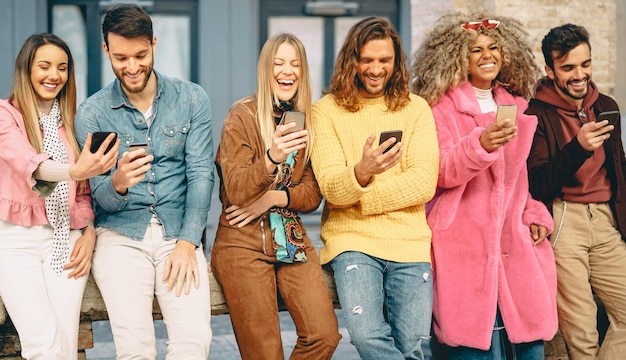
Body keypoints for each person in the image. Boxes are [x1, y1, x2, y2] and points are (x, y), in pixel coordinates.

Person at [411, 10, 558, 359]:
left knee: (527, 341)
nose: (487, 55)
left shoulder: (517, 105)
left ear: (506, 53)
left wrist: (533, 211)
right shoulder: (441, 108)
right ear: (459, 57)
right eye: (476, 49)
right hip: (462, 239)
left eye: (493, 47)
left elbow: (520, 178)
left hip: (513, 241)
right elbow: (442, 170)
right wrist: (482, 144)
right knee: (473, 344)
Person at [74, 4, 213, 359]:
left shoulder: (193, 98)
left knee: (194, 342)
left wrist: (187, 242)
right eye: (121, 57)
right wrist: (117, 181)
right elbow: (97, 197)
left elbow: (200, 173)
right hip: (120, 236)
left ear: (154, 43)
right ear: (106, 50)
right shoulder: (92, 113)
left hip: (177, 233)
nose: (132, 67)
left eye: (140, 54)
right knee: (135, 347)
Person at [310, 17, 439, 360]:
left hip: (409, 244)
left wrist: (361, 193)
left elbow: (424, 183)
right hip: (352, 242)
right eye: (366, 60)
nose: (375, 69)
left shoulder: (416, 109)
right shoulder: (325, 112)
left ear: (396, 62)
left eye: (384, 60)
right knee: (367, 337)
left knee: (412, 346)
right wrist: (364, 170)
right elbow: (333, 191)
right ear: (351, 61)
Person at [212, 32, 341, 360]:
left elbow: (312, 194)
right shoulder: (241, 116)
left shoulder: (306, 120)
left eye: (295, 64)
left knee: (324, 336)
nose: (288, 71)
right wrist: (271, 157)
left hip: (291, 239)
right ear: (266, 69)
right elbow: (237, 190)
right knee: (264, 354)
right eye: (279, 63)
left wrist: (274, 198)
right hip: (242, 242)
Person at [0, 33, 118, 359]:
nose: (54, 75)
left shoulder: (71, 125)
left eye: (62, 67)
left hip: (66, 239)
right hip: (15, 242)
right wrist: (76, 171)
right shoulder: (5, 115)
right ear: (26, 69)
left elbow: (81, 196)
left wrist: (90, 232)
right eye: (45, 66)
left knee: (66, 342)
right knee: (42, 344)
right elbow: (31, 165)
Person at [526, 23, 626, 359]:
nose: (579, 75)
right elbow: (538, 184)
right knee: (581, 332)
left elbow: (619, 171)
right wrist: (578, 147)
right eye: (568, 67)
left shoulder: (606, 104)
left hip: (606, 221)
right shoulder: (535, 114)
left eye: (585, 64)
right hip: (565, 217)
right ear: (550, 69)